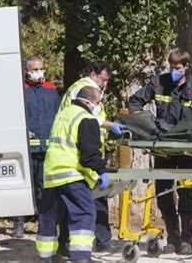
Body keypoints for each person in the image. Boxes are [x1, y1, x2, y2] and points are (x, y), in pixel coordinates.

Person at [128, 48, 192, 254]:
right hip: (162, 149)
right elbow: (135, 101)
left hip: (186, 150)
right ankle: (172, 237)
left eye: (179, 68)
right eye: (172, 68)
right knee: (163, 193)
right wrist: (143, 121)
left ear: (187, 67)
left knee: (186, 193)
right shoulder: (158, 83)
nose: (175, 71)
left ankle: (187, 240)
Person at [36, 86, 110, 263]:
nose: (97, 107)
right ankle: (81, 257)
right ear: (89, 102)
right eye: (98, 103)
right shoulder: (86, 118)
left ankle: (47, 257)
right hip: (72, 175)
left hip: (52, 174)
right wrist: (101, 171)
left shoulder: (64, 114)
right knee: (84, 213)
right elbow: (89, 155)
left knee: (50, 216)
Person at [59, 61, 124, 253]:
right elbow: (85, 118)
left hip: (88, 150)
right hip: (78, 153)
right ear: (94, 74)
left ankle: (102, 239)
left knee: (96, 197)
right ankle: (71, 244)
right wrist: (110, 125)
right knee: (81, 201)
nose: (105, 83)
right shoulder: (82, 89)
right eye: (103, 79)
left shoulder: (89, 88)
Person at [12, 56, 60, 238]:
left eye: (41, 69)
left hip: (46, 148)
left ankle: (44, 224)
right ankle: (18, 224)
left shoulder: (51, 90)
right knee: (24, 186)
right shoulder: (20, 90)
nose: (39, 72)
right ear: (27, 71)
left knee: (44, 187)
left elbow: (57, 114)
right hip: (26, 149)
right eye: (35, 69)